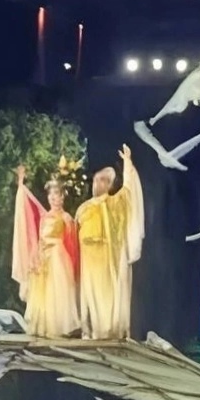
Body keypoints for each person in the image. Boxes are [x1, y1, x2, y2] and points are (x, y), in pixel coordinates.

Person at [74, 145, 145, 340]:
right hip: (89, 260)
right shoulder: (83, 208)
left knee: (107, 298)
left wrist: (128, 164)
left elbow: (129, 190)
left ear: (109, 184)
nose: (97, 184)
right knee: (90, 296)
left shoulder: (114, 203)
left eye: (102, 180)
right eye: (96, 180)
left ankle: (110, 333)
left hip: (107, 260)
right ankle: (90, 331)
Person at [10, 162, 83, 338]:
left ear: (62, 197)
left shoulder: (66, 218)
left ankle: (58, 327)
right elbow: (38, 235)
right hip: (43, 256)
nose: (53, 198)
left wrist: (73, 266)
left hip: (58, 256)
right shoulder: (44, 217)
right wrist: (21, 184)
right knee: (43, 292)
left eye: (56, 194)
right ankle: (44, 326)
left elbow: (72, 242)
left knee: (57, 290)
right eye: (51, 195)